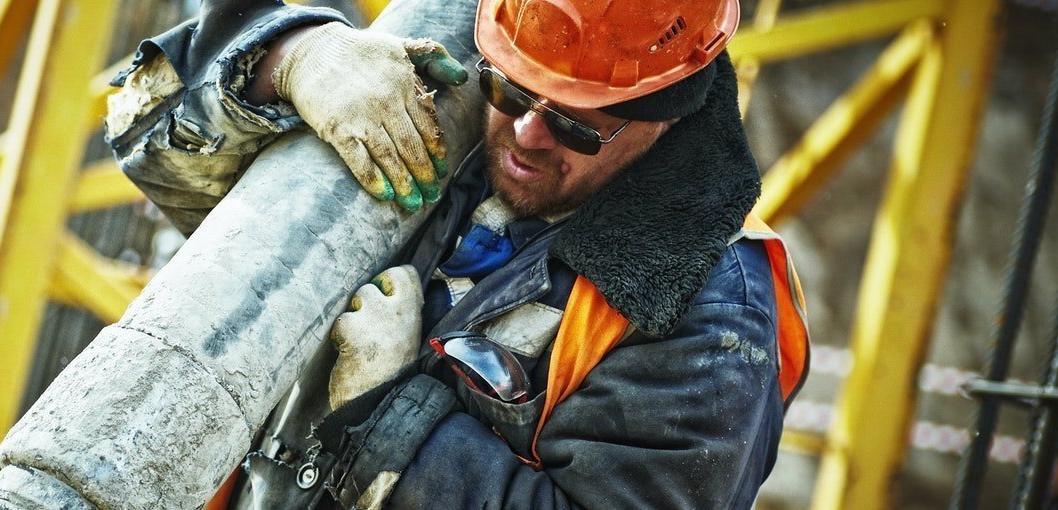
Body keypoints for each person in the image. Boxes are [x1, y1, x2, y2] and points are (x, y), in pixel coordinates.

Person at [107, 0, 809, 507]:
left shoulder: (709, 313)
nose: (529, 136)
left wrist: (383, 410)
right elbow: (152, 142)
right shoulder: (448, 96)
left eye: (576, 126)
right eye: (513, 91)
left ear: (667, 117)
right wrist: (288, 60)